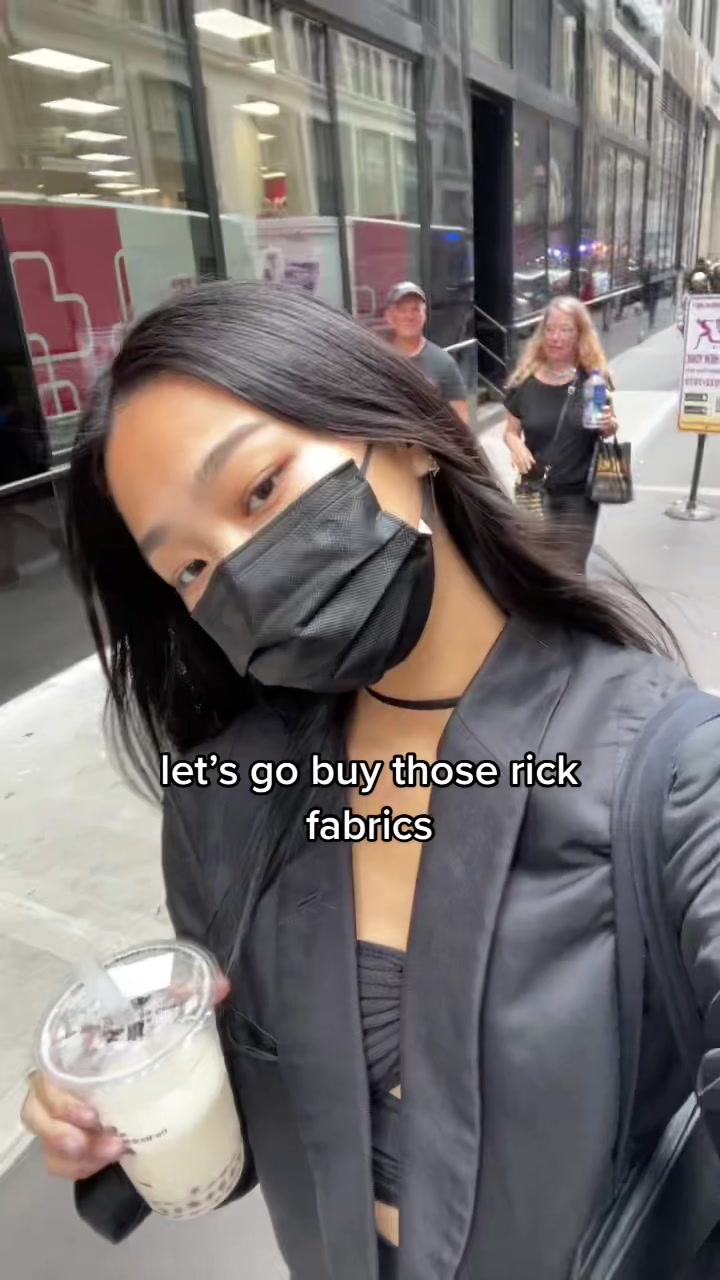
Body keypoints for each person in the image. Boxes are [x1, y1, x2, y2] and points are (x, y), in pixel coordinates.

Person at [21, 281, 720, 1280]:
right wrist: (117, 1117)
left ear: (407, 435)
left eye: (259, 489)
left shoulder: (671, 773)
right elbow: (264, 1114)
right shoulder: (227, 797)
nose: (241, 571)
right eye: (191, 569)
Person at [503, 295, 618, 573]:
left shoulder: (592, 381)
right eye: (550, 329)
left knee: (569, 572)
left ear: (580, 335)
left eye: (565, 330)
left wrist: (609, 425)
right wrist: (516, 447)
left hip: (578, 497)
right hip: (532, 491)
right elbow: (510, 432)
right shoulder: (524, 382)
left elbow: (608, 427)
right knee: (534, 567)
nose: (555, 337)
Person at [385, 281, 469, 422]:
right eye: (402, 310)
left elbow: (461, 419)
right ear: (389, 317)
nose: (409, 316)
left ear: (424, 315)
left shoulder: (444, 363)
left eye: (415, 309)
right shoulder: (377, 359)